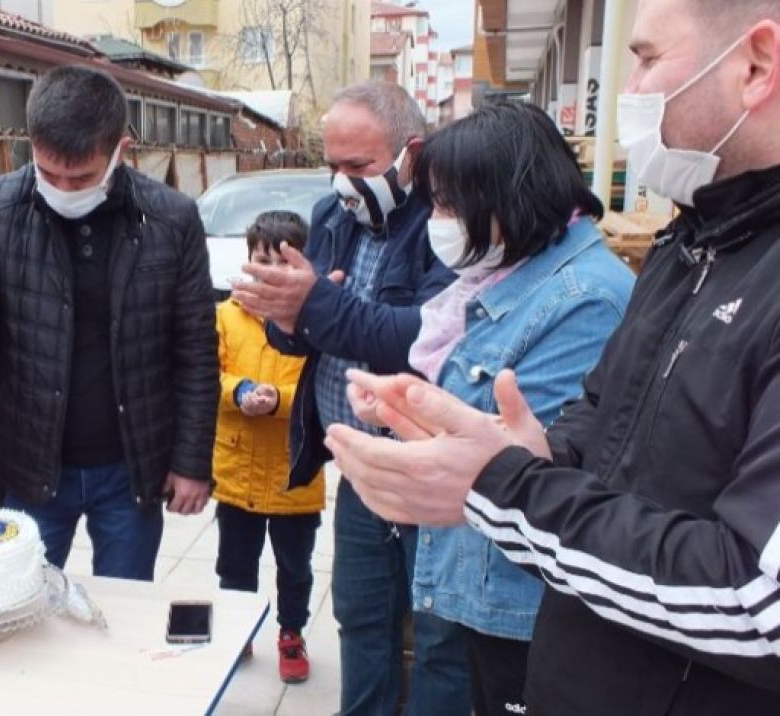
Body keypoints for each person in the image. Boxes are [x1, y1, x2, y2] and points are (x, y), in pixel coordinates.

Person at [327, 1, 780, 713]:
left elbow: (759, 604)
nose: (627, 92)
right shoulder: (690, 245)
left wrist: (502, 483)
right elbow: (605, 419)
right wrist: (514, 448)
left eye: (649, 58)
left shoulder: (607, 284)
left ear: (755, 65)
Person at [348, 99, 633, 716]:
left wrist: (410, 419)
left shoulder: (584, 300)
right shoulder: (503, 276)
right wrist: (401, 408)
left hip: (517, 601)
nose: (438, 221)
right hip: (475, 576)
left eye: (451, 204)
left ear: (510, 198)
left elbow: (531, 464)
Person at [0, 65, 217, 581]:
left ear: (121, 149)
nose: (61, 188)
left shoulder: (172, 218)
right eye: (47, 172)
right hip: (31, 463)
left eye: (79, 178)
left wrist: (192, 461)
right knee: (17, 599)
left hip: (131, 468)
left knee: (122, 613)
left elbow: (195, 349)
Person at [232, 81, 469, 716]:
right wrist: (287, 319)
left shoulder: (446, 223)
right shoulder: (331, 216)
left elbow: (419, 341)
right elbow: (306, 338)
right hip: (360, 464)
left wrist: (314, 306)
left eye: (358, 166)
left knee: (440, 635)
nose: (342, 181)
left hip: (429, 469)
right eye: (332, 165)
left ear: (410, 155)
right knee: (361, 619)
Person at [214, 211, 326, 684]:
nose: (270, 272)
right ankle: (238, 632)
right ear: (248, 260)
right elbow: (206, 374)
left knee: (294, 566)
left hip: (293, 471)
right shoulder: (225, 316)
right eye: (262, 260)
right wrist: (238, 392)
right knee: (235, 564)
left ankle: (291, 632)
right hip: (236, 469)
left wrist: (277, 400)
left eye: (282, 263)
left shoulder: (317, 323)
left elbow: (318, 390)